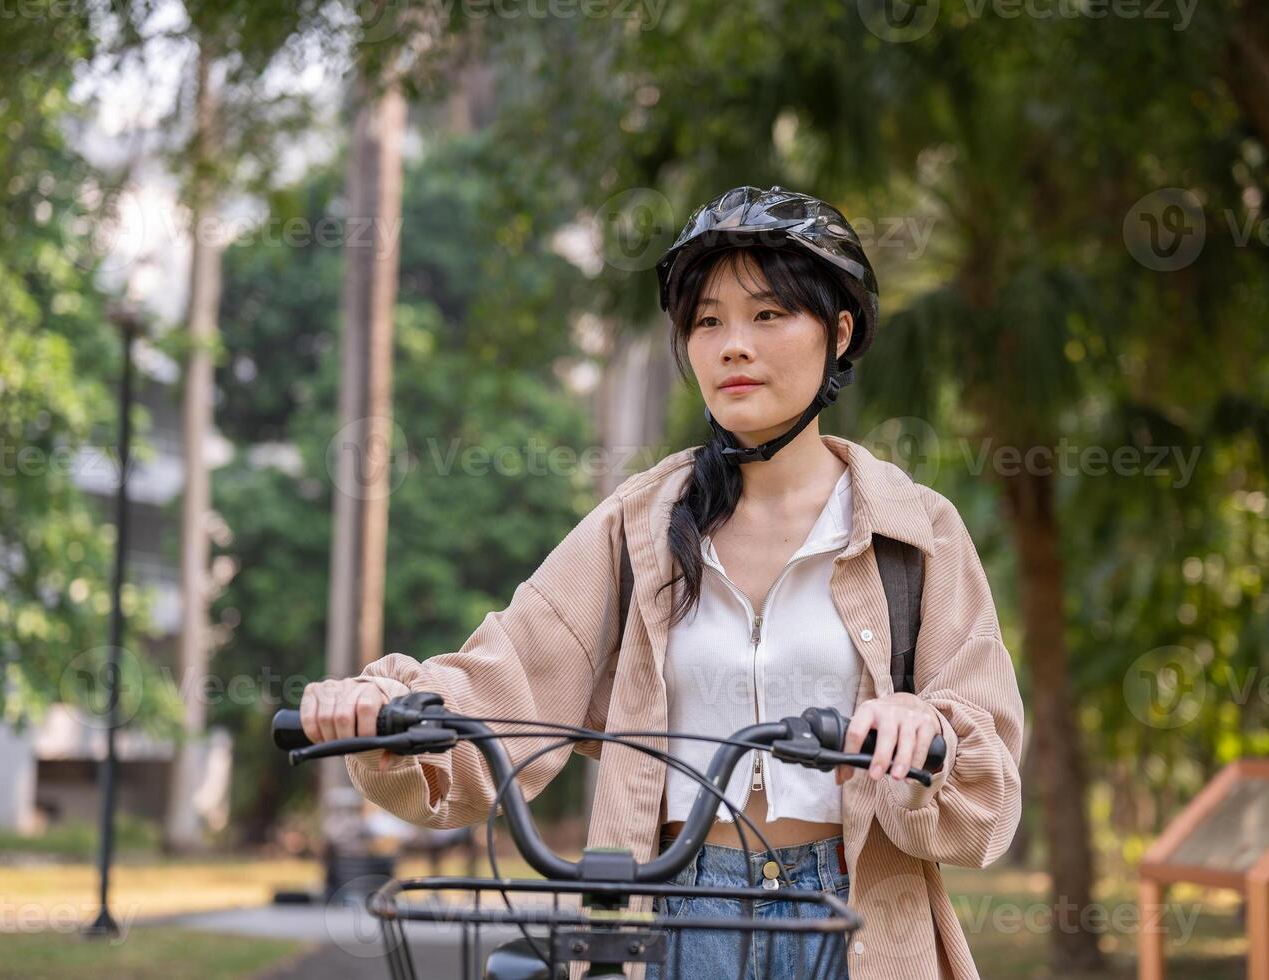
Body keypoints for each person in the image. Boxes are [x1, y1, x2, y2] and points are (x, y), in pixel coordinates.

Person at [300, 185, 1025, 980]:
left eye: (769, 314)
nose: (731, 346)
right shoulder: (637, 526)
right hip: (672, 911)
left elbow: (983, 787)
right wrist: (385, 709)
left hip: (857, 915)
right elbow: (503, 682)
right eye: (707, 321)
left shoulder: (913, 532)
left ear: (839, 333)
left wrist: (924, 729)